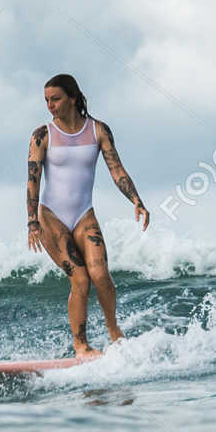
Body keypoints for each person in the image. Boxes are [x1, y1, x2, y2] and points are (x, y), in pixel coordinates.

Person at [25, 74, 149, 356]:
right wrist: (32, 221)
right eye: (46, 100)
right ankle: (80, 345)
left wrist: (137, 200)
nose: (50, 105)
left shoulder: (98, 130)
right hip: (51, 217)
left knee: (100, 275)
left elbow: (117, 169)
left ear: (72, 97)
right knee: (80, 279)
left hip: (84, 215)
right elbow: (33, 180)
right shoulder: (42, 135)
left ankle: (114, 333)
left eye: (55, 99)